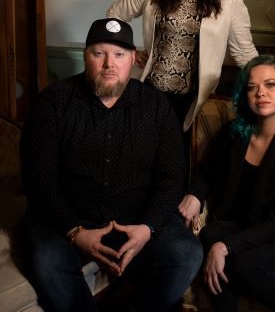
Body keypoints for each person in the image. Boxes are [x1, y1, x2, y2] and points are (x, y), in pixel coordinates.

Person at [19, 18, 203, 312]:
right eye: (99, 53)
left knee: (187, 253)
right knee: (46, 260)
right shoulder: (52, 103)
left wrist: (148, 228)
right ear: (85, 56)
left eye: (118, 55)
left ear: (133, 59)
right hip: (67, 220)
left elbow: (172, 177)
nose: (109, 64)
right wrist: (75, 233)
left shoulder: (155, 107)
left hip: (136, 218)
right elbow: (38, 179)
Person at [178, 54, 275, 312]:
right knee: (209, 234)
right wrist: (195, 195)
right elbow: (207, 172)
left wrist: (225, 246)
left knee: (245, 264)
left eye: (270, 85)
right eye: (252, 87)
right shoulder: (234, 134)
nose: (261, 93)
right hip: (249, 220)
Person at [107, 0, 257, 138]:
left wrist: (267, 84)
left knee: (178, 162)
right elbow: (114, 15)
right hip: (149, 93)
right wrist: (128, 51)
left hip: (193, 102)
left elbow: (244, 52)